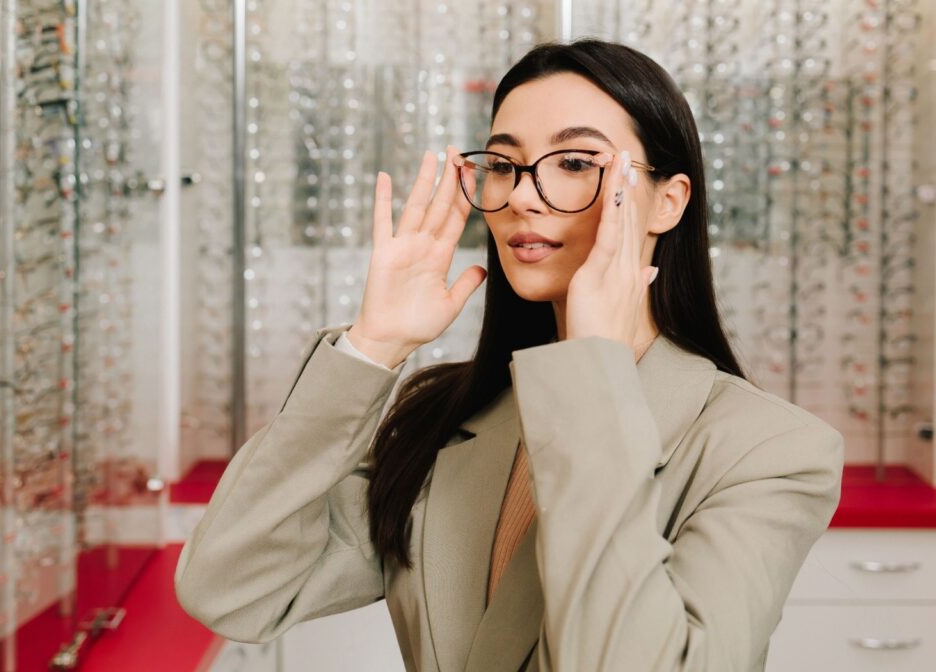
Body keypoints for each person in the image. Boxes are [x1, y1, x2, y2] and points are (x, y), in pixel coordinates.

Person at [174, 38, 844, 671]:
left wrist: (593, 375)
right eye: (501, 166)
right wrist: (373, 347)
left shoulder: (770, 451)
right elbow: (232, 588)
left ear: (667, 202)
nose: (521, 196)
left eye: (575, 164)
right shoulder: (444, 421)